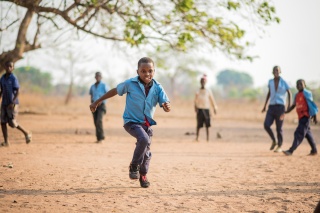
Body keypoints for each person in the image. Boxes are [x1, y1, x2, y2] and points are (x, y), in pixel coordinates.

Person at [90, 57, 171, 188]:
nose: (147, 74)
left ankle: (143, 176)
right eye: (143, 71)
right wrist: (97, 101)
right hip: (131, 122)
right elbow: (115, 91)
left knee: (147, 152)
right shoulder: (130, 84)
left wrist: (167, 106)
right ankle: (134, 166)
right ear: (137, 71)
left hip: (147, 124)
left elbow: (165, 103)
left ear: (154, 71)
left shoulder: (158, 87)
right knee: (143, 139)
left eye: (150, 71)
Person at [0, 60, 32, 147]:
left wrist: (13, 102)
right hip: (4, 103)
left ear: (13, 68)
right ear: (5, 67)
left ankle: (26, 133)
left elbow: (18, 91)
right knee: (2, 122)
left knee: (12, 123)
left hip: (12, 103)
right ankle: (6, 142)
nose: (8, 68)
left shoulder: (13, 78)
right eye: (7, 66)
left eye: (11, 66)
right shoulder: (2, 78)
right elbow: (2, 90)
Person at [283, 79, 318, 156]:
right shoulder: (297, 95)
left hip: (305, 117)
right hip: (300, 117)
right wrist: (286, 111)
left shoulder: (306, 94)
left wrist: (314, 116)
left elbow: (311, 105)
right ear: (296, 86)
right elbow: (293, 106)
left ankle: (291, 150)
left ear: (305, 85)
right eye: (298, 84)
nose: (299, 86)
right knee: (308, 134)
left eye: (301, 84)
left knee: (298, 133)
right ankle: (314, 150)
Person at [262, 66, 291, 153]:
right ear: (272, 72)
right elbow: (269, 93)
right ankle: (274, 140)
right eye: (275, 70)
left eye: (277, 70)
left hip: (281, 107)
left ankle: (279, 145)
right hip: (271, 106)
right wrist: (265, 105)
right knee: (266, 125)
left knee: (279, 128)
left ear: (280, 72)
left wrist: (289, 105)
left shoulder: (284, 82)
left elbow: (289, 93)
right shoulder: (270, 82)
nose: (276, 72)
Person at [194, 75, 218, 142]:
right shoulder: (198, 91)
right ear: (200, 82)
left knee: (207, 125)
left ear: (206, 82)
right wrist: (195, 107)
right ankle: (197, 138)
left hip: (206, 109)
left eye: (204, 81)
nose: (203, 82)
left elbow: (212, 100)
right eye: (202, 81)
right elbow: (195, 100)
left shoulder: (208, 91)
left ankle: (208, 139)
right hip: (200, 109)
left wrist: (215, 108)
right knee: (198, 125)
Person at [89, 72, 109, 143]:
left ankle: (101, 137)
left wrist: (101, 101)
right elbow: (91, 95)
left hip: (101, 106)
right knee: (95, 121)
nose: (98, 77)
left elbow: (108, 94)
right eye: (97, 76)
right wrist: (92, 103)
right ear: (95, 77)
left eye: (99, 76)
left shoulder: (104, 85)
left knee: (99, 120)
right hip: (94, 106)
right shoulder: (92, 86)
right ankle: (98, 138)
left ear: (101, 77)